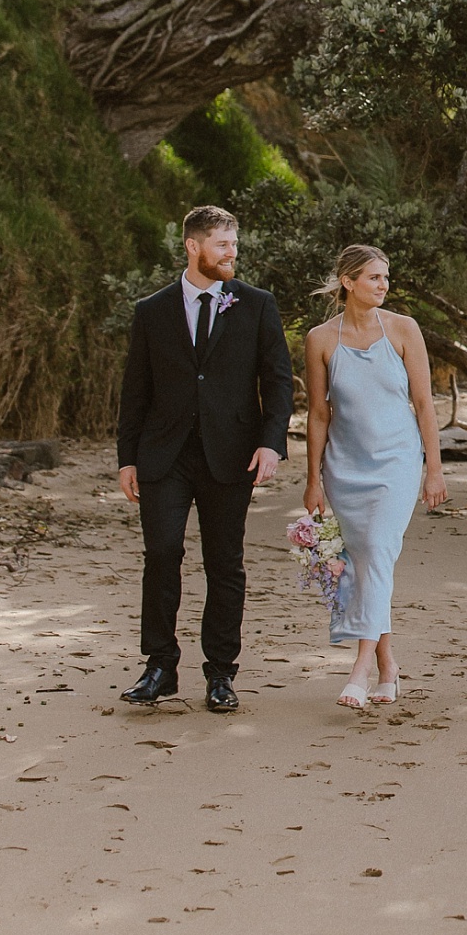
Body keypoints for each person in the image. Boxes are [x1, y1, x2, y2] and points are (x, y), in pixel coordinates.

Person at [115, 205, 294, 713]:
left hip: (231, 455)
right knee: (162, 555)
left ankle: (220, 673)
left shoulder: (257, 305)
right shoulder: (152, 310)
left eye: (234, 244)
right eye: (221, 244)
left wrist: (269, 442)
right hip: (164, 456)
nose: (231, 253)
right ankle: (159, 667)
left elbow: (276, 380)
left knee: (224, 563)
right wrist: (127, 458)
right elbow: (136, 391)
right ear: (193, 247)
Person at [300, 245, 449, 709]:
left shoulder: (404, 330)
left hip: (397, 461)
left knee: (378, 553)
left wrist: (434, 470)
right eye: (373, 278)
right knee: (365, 562)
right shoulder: (320, 338)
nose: (383, 286)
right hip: (345, 465)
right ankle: (388, 666)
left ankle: (360, 669)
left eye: (386, 278)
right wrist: (313, 478)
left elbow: (425, 405)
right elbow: (319, 414)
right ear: (347, 282)